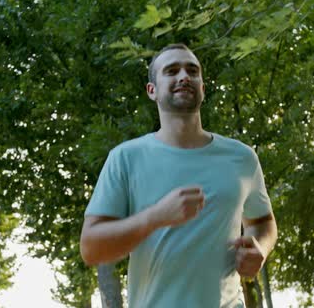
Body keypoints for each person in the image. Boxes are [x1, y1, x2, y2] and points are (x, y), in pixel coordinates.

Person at [80, 43, 278, 307]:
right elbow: (92, 247)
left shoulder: (242, 158)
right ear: (152, 91)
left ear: (203, 88)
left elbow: (263, 221)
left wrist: (260, 249)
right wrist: (155, 217)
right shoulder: (125, 158)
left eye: (192, 71)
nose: (184, 76)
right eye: (171, 71)